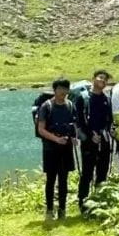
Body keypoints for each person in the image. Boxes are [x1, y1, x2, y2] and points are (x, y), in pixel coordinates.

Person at [36, 78, 78, 218]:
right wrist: (56, 139)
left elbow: (74, 125)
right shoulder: (46, 106)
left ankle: (62, 210)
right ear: (55, 90)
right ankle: (49, 210)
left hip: (66, 147)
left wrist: (73, 138)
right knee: (51, 179)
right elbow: (41, 129)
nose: (63, 92)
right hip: (50, 148)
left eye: (65, 89)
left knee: (64, 179)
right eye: (60, 88)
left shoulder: (70, 105)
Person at [75, 69, 113, 211]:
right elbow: (79, 120)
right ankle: (83, 203)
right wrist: (91, 134)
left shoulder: (106, 99)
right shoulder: (83, 98)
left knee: (102, 171)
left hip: (104, 139)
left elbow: (110, 120)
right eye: (100, 78)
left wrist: (108, 131)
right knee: (87, 172)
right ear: (93, 79)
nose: (103, 81)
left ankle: (99, 201)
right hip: (88, 141)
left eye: (105, 80)